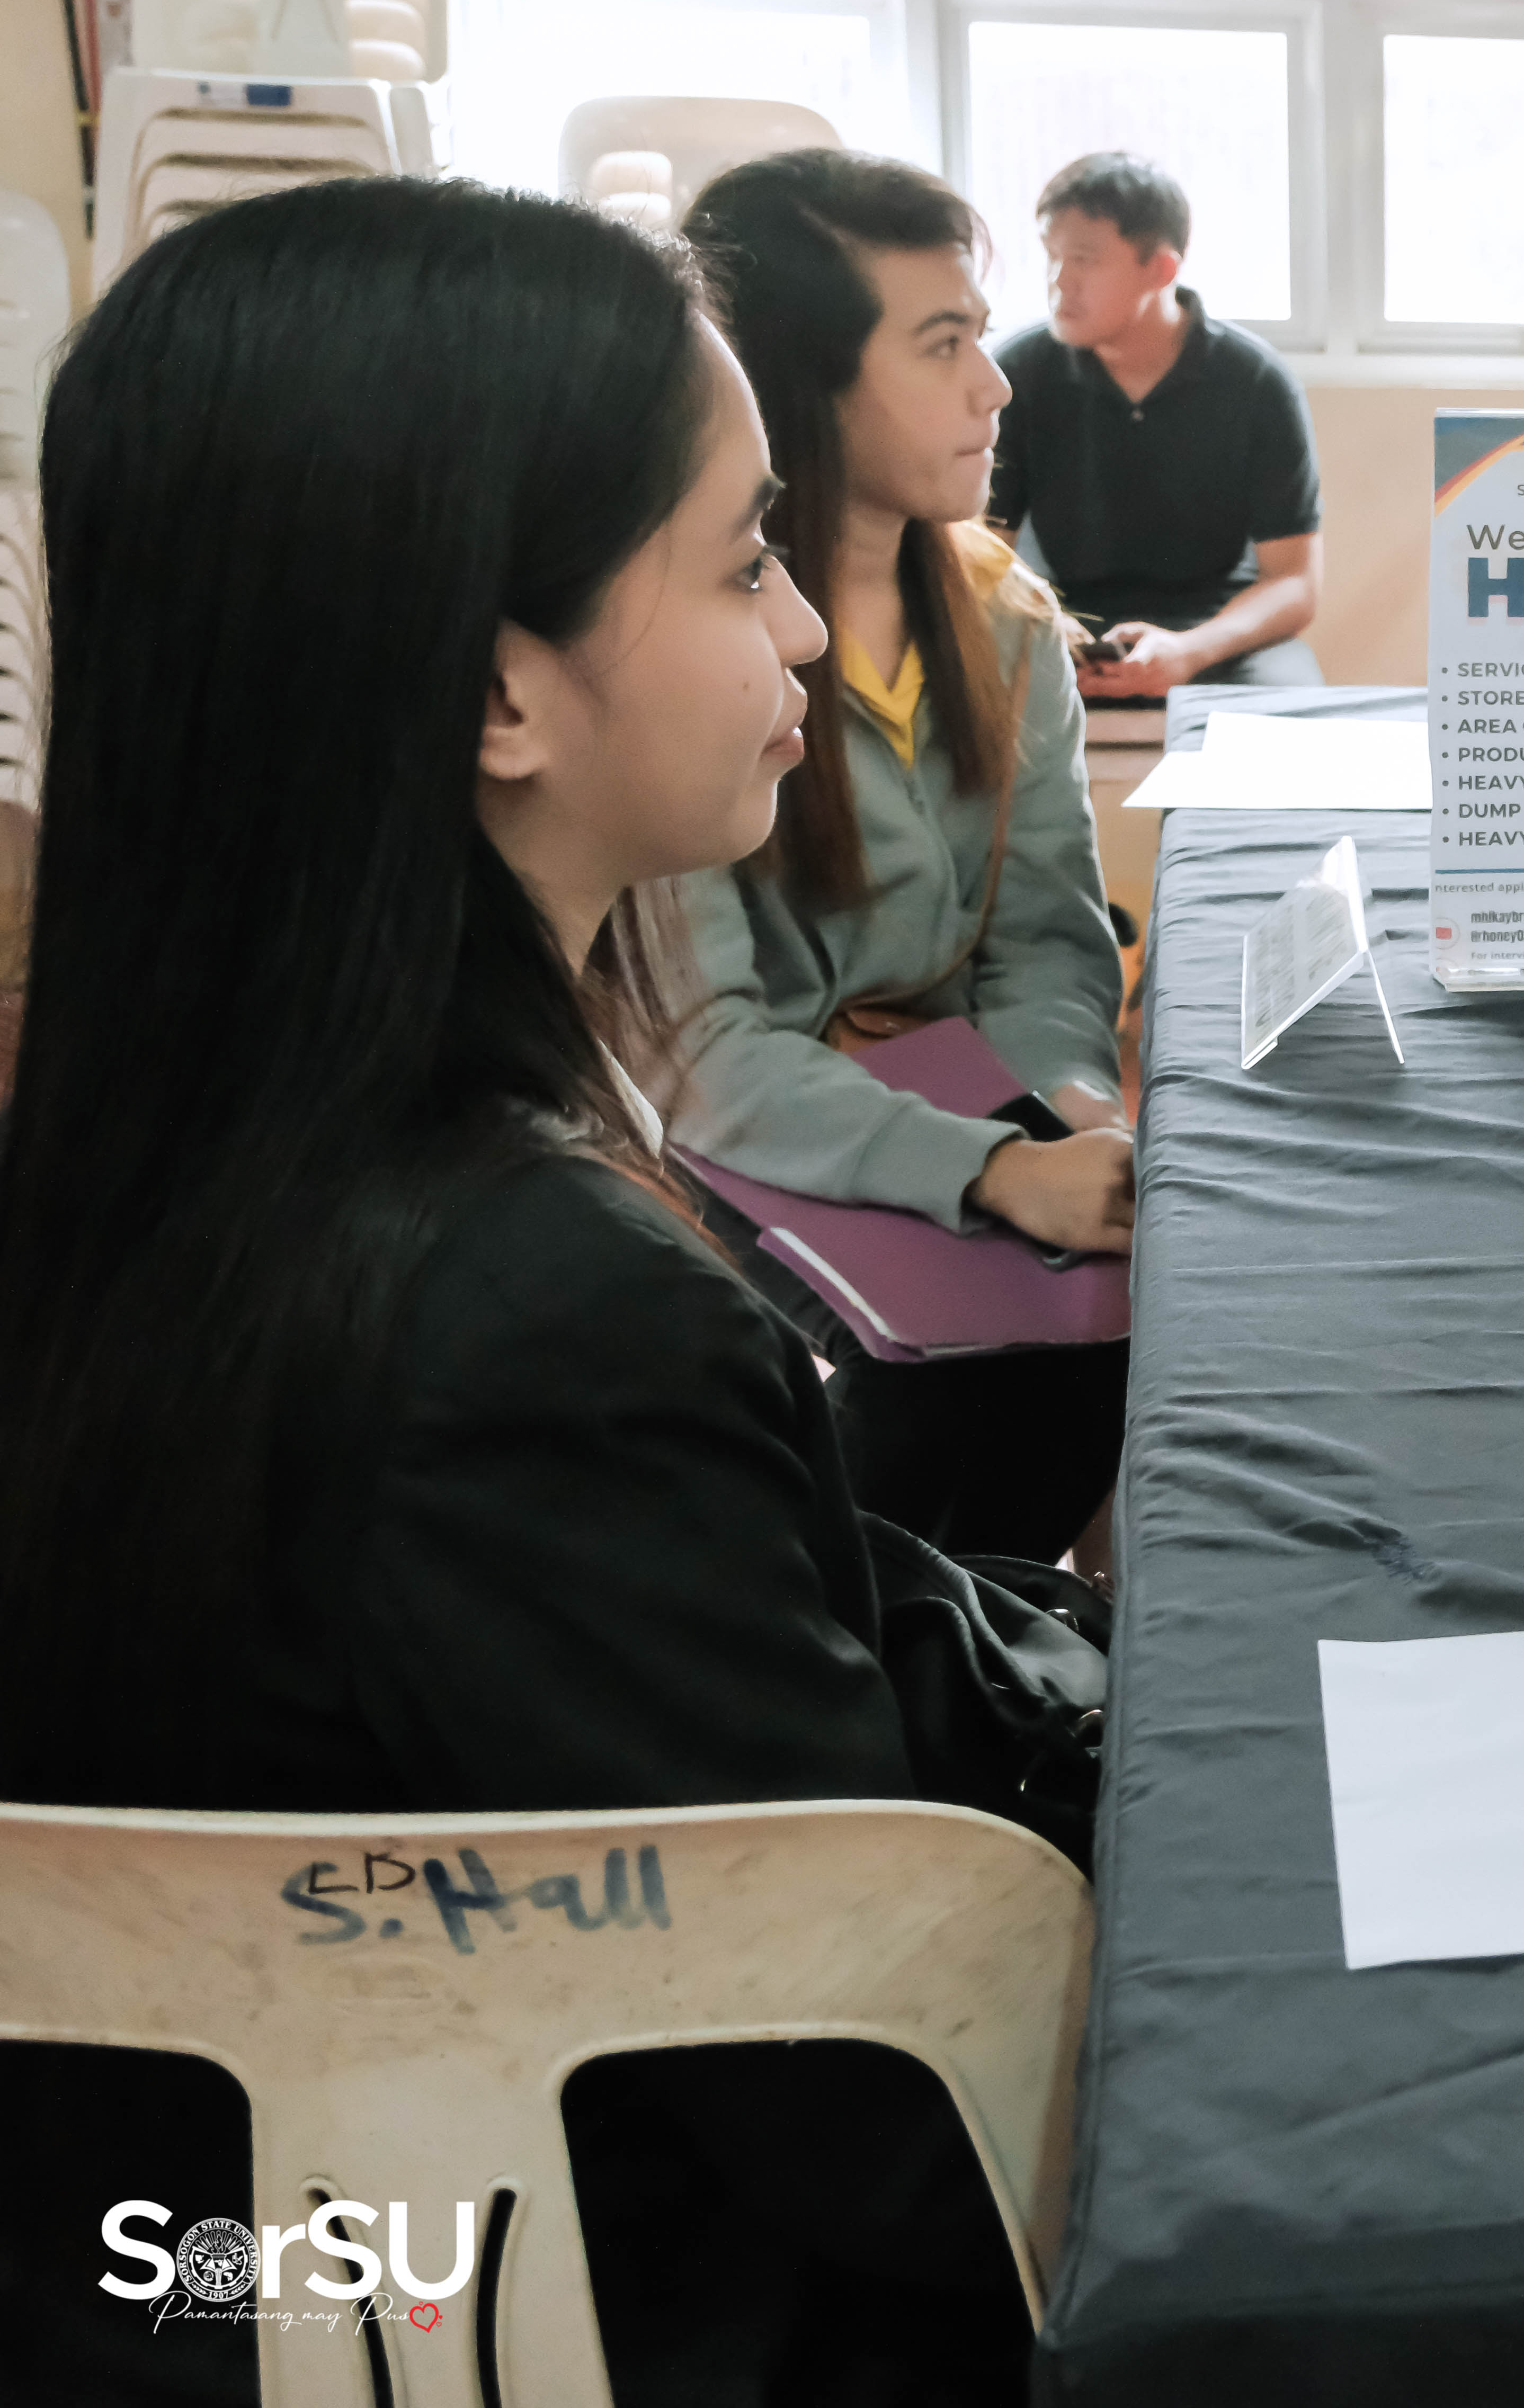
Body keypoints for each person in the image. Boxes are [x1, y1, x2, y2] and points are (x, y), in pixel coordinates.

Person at [0, 178, 1058, 2402]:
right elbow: (878, 2103)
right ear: (501, 686)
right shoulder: (520, 1315)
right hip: (510, 2294)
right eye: (742, 561)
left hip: (187, 2252)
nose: (800, 631)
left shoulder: (173, 1142)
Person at [679, 149, 1131, 1567]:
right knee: (948, 1392)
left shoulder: (1005, 621)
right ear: (800, 387)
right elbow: (702, 1051)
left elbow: (1048, 935)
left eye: (981, 335)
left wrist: (1062, 1109)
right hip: (742, 1130)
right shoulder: (690, 653)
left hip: (957, 1089)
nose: (995, 386)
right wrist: (992, 1169)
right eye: (943, 346)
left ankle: (982, 1645)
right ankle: (872, 1649)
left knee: (1115, 1324)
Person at [987, 150, 1325, 694]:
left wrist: (1191, 650)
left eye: (1084, 260)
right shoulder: (1016, 374)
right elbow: (977, 552)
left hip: (1217, 631)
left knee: (1290, 707)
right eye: (1052, 257)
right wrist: (1045, 626)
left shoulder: (1255, 380)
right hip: (1059, 622)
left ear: (1162, 269)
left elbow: (1294, 582)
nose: (1059, 281)